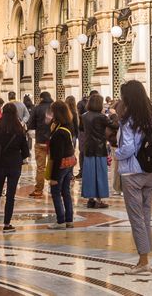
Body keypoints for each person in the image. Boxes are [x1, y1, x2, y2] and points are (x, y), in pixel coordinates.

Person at [112, 79, 152, 273]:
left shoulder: (129, 120)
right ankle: (145, 256)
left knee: (136, 218)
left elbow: (129, 148)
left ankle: (143, 261)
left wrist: (115, 153)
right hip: (150, 172)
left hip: (132, 172)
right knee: (145, 216)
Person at [0, 97, 30, 231]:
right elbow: (26, 152)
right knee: (10, 196)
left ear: (3, 113)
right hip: (15, 165)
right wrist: (17, 156)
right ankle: (7, 224)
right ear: (15, 114)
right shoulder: (20, 131)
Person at [47, 99, 78, 228]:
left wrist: (53, 177)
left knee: (56, 192)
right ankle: (69, 219)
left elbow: (57, 156)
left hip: (61, 164)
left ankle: (60, 221)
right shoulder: (68, 125)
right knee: (66, 191)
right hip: (69, 162)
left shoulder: (59, 132)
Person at [79, 92, 112, 209]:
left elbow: (81, 129)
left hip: (88, 147)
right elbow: (114, 125)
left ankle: (90, 199)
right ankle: (99, 200)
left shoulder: (84, 116)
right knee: (100, 174)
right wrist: (114, 115)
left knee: (89, 174)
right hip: (99, 148)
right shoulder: (101, 117)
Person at [28, 91, 55, 198]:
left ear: (41, 98)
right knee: (53, 165)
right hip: (53, 141)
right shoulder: (55, 107)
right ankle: (54, 189)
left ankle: (39, 190)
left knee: (40, 167)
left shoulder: (37, 108)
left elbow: (31, 124)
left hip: (40, 140)